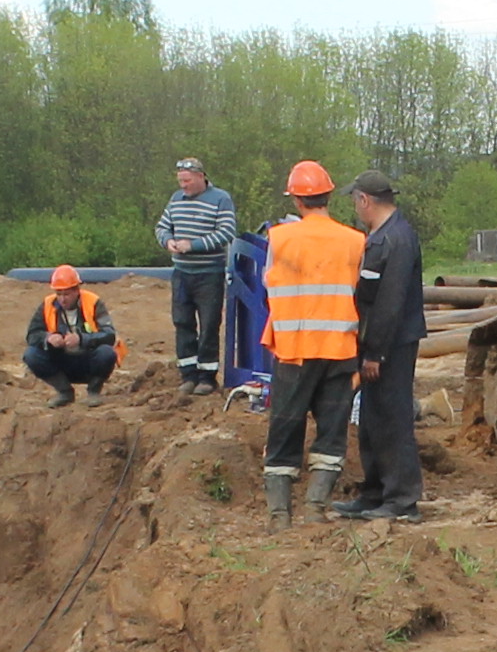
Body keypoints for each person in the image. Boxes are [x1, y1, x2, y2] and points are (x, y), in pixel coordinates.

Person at [257, 159, 361, 524]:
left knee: (285, 426)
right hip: (340, 349)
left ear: (297, 201)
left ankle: (279, 515)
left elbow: (268, 285)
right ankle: (316, 508)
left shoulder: (280, 238)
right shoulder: (354, 241)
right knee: (332, 430)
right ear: (329, 196)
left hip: (294, 350)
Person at [330, 168, 427, 522]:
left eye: (355, 201)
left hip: (392, 345)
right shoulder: (382, 237)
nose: (355, 208)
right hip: (379, 343)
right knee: (372, 419)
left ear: (365, 200)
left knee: (392, 418)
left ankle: (402, 501)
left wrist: (375, 353)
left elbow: (389, 303)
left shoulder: (396, 240)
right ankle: (375, 493)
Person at [155, 158, 238, 393]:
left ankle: (207, 377)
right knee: (182, 323)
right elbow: (161, 227)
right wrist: (167, 240)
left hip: (209, 273)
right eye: (180, 181)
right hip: (182, 273)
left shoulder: (220, 199)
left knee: (210, 324)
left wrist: (194, 245)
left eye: (187, 181)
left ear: (201, 177)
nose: (184, 186)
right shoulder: (176, 199)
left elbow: (227, 232)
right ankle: (188, 375)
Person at [22, 263, 119, 405]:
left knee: (107, 352)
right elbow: (32, 335)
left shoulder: (93, 303)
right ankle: (64, 391)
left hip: (88, 359)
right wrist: (48, 338)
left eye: (66, 294)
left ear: (76, 290)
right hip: (61, 359)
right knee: (31, 355)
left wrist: (81, 339)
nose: (62, 299)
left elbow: (109, 335)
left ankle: (94, 391)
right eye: (59, 294)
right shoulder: (47, 305)